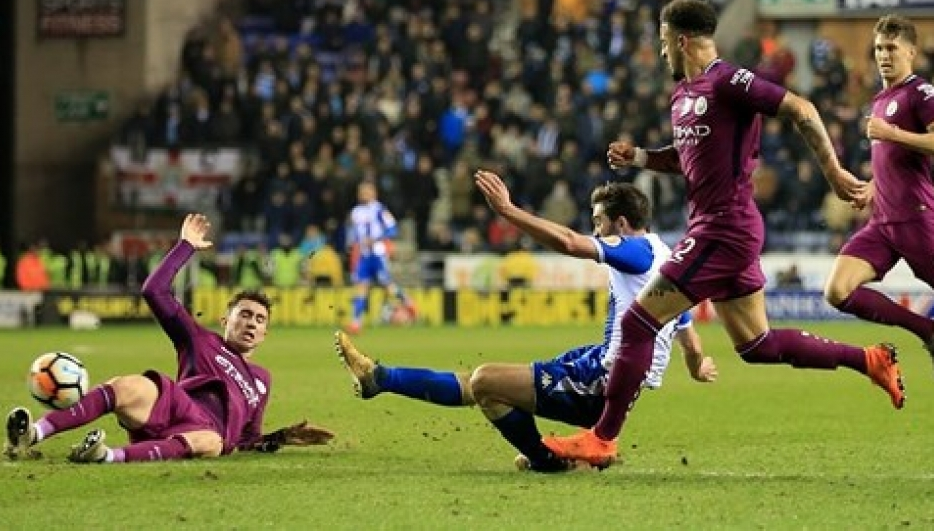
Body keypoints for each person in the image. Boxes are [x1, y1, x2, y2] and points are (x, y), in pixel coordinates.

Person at [544, 0, 905, 468]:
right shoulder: (682, 97)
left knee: (638, 322)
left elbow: (802, 109)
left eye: (663, 43)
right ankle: (871, 360)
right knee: (758, 345)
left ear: (681, 39)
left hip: (723, 227)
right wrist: (639, 159)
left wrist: (834, 173)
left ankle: (602, 439)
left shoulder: (728, 80)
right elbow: (685, 158)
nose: (662, 53)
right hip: (721, 228)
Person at [336, 176, 717, 473]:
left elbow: (569, 242)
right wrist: (696, 363)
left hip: (600, 381)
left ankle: (548, 459)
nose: (595, 229)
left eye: (598, 222)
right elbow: (685, 328)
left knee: (486, 382)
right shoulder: (665, 258)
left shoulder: (635, 251)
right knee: (482, 385)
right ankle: (379, 378)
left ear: (620, 222)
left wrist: (507, 210)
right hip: (596, 363)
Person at [4, 213, 333, 463]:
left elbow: (247, 438)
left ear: (265, 333)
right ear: (225, 320)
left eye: (259, 320)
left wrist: (281, 437)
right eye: (244, 314)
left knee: (211, 442)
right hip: (176, 404)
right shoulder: (199, 338)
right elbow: (154, 291)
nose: (251, 323)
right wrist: (185, 246)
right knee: (127, 385)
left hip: (208, 433)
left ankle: (105, 456)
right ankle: (33, 433)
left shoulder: (262, 379)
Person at [824, 15, 934, 362]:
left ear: (911, 52)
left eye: (892, 48)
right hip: (882, 223)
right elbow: (895, 159)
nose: (884, 55)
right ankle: (926, 330)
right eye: (879, 48)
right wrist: (875, 185)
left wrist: (892, 133)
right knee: (837, 290)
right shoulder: (882, 98)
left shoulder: (920, 92)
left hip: (916, 219)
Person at [344, 181, 416, 334]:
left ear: (374, 192)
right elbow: (355, 233)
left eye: (367, 191)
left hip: (377, 253)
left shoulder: (379, 209)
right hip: (363, 255)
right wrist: (352, 245)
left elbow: (392, 229)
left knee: (387, 285)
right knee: (361, 287)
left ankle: (408, 302)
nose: (364, 194)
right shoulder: (356, 212)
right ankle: (356, 323)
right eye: (362, 191)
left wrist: (376, 239)